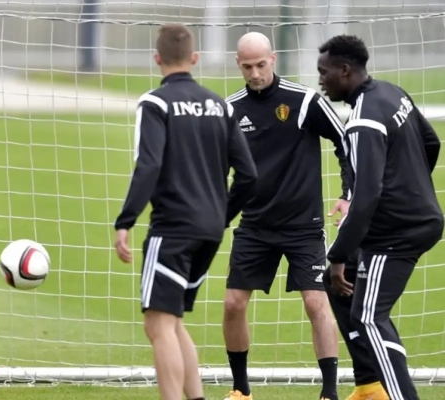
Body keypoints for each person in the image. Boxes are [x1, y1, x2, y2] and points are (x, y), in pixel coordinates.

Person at [113, 23, 258, 400]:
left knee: (158, 326)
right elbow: (249, 175)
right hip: (209, 230)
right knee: (173, 322)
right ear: (194, 58)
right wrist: (220, 215)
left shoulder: (155, 103)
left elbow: (149, 165)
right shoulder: (220, 105)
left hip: (173, 229)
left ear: (157, 59)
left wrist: (125, 221)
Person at [222, 32, 350, 400]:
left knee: (316, 302)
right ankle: (241, 390)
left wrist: (348, 193)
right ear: (238, 65)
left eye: (261, 65)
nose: (255, 73)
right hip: (254, 225)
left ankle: (329, 392)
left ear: (273, 59)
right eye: (248, 66)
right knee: (233, 303)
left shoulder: (304, 100)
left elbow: (346, 142)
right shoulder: (230, 109)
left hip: (303, 226)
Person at [319, 34, 443, 400]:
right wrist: (411, 188)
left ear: (345, 70)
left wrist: (338, 256)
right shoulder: (392, 92)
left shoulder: (362, 122)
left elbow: (367, 197)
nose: (321, 80)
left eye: (324, 72)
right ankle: (372, 386)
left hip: (395, 233)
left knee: (369, 317)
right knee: (347, 295)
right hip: (417, 219)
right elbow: (431, 142)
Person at [322, 249, 389, 400]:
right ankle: (369, 385)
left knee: (371, 312)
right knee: (342, 283)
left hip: (388, 242)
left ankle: (375, 385)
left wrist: (338, 254)